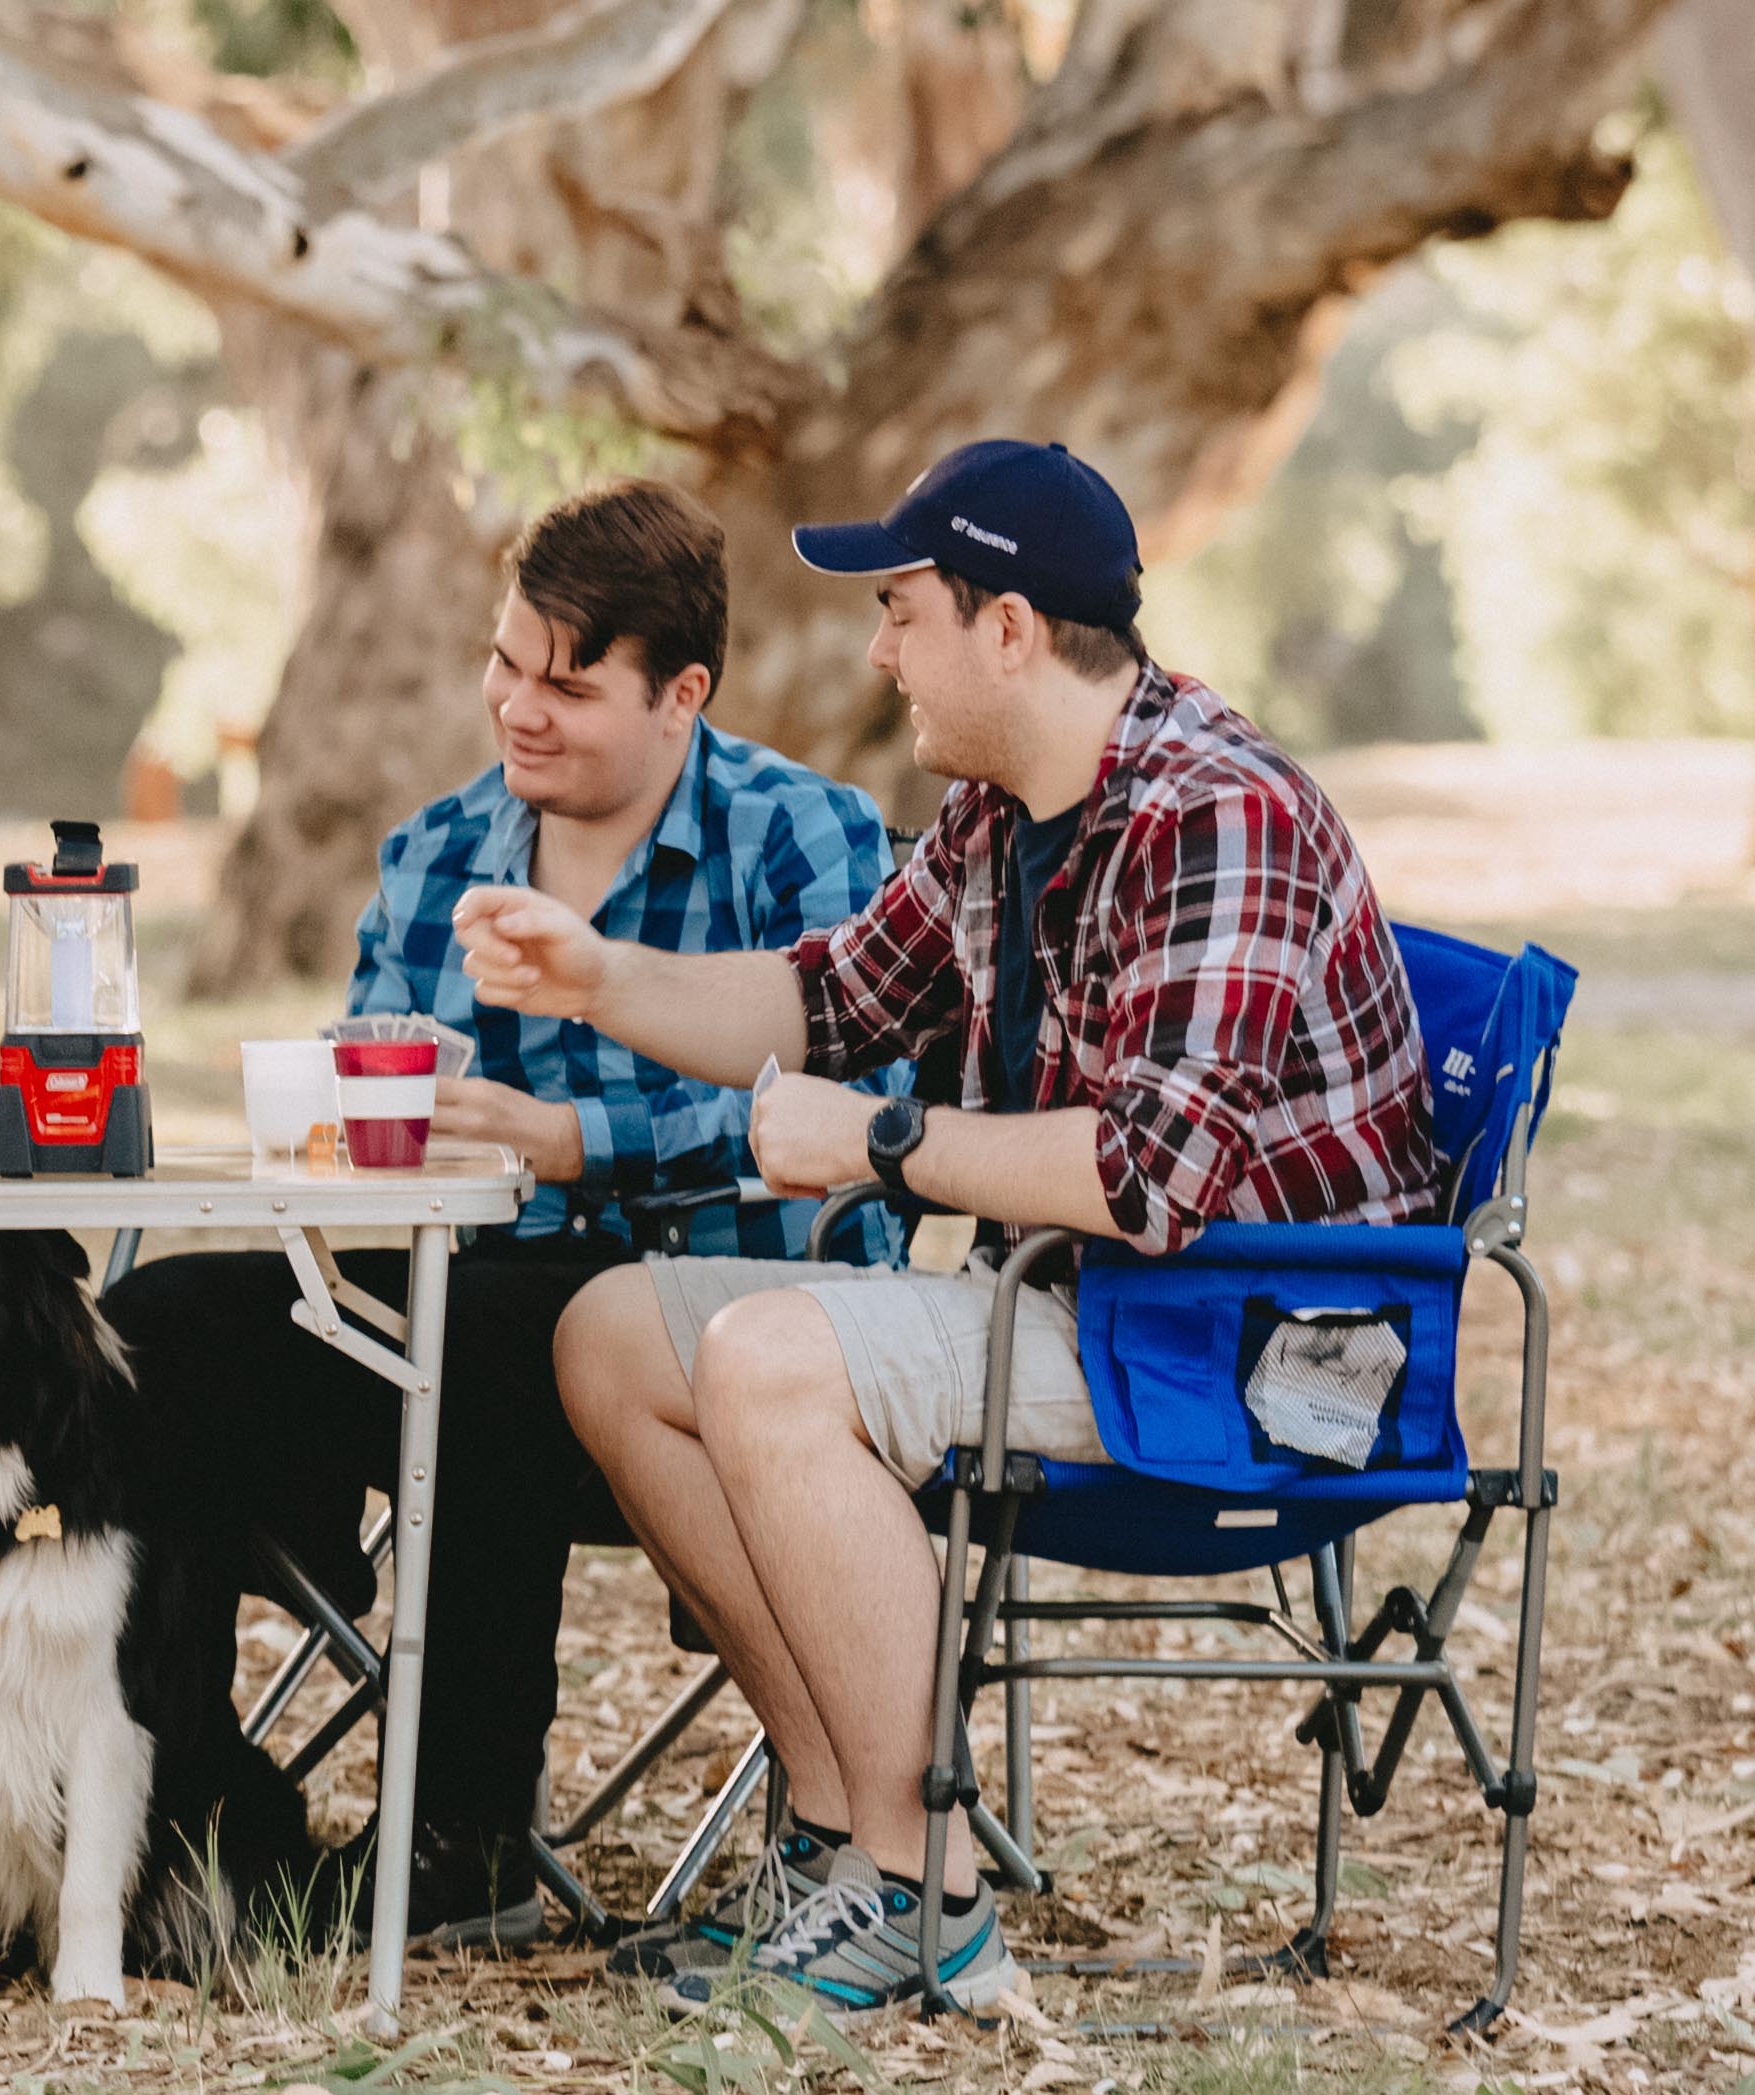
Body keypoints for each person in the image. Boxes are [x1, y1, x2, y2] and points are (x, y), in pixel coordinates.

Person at [474, 440, 1442, 2015]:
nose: (875, 648)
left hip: (1252, 1343)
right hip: (1095, 1307)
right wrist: (597, 975)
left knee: (773, 1360)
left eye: (902, 610)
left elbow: (1153, 1177)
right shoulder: (1000, 817)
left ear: (1007, 630)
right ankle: (842, 1833)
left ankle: (923, 1887)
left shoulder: (1220, 814)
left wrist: (882, 1144)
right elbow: (830, 997)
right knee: (610, 1335)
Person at [101, 479, 897, 1951]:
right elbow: (371, 1108)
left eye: (570, 685)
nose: (520, 708)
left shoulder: (801, 839)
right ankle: (183, 1811)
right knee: (159, 1326)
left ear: (683, 696)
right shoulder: (436, 856)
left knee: (500, 1331)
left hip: (727, 1340)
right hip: (466, 1304)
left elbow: (857, 1119)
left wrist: (572, 1142)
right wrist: (343, 1135)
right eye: (505, 663)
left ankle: (463, 1845)